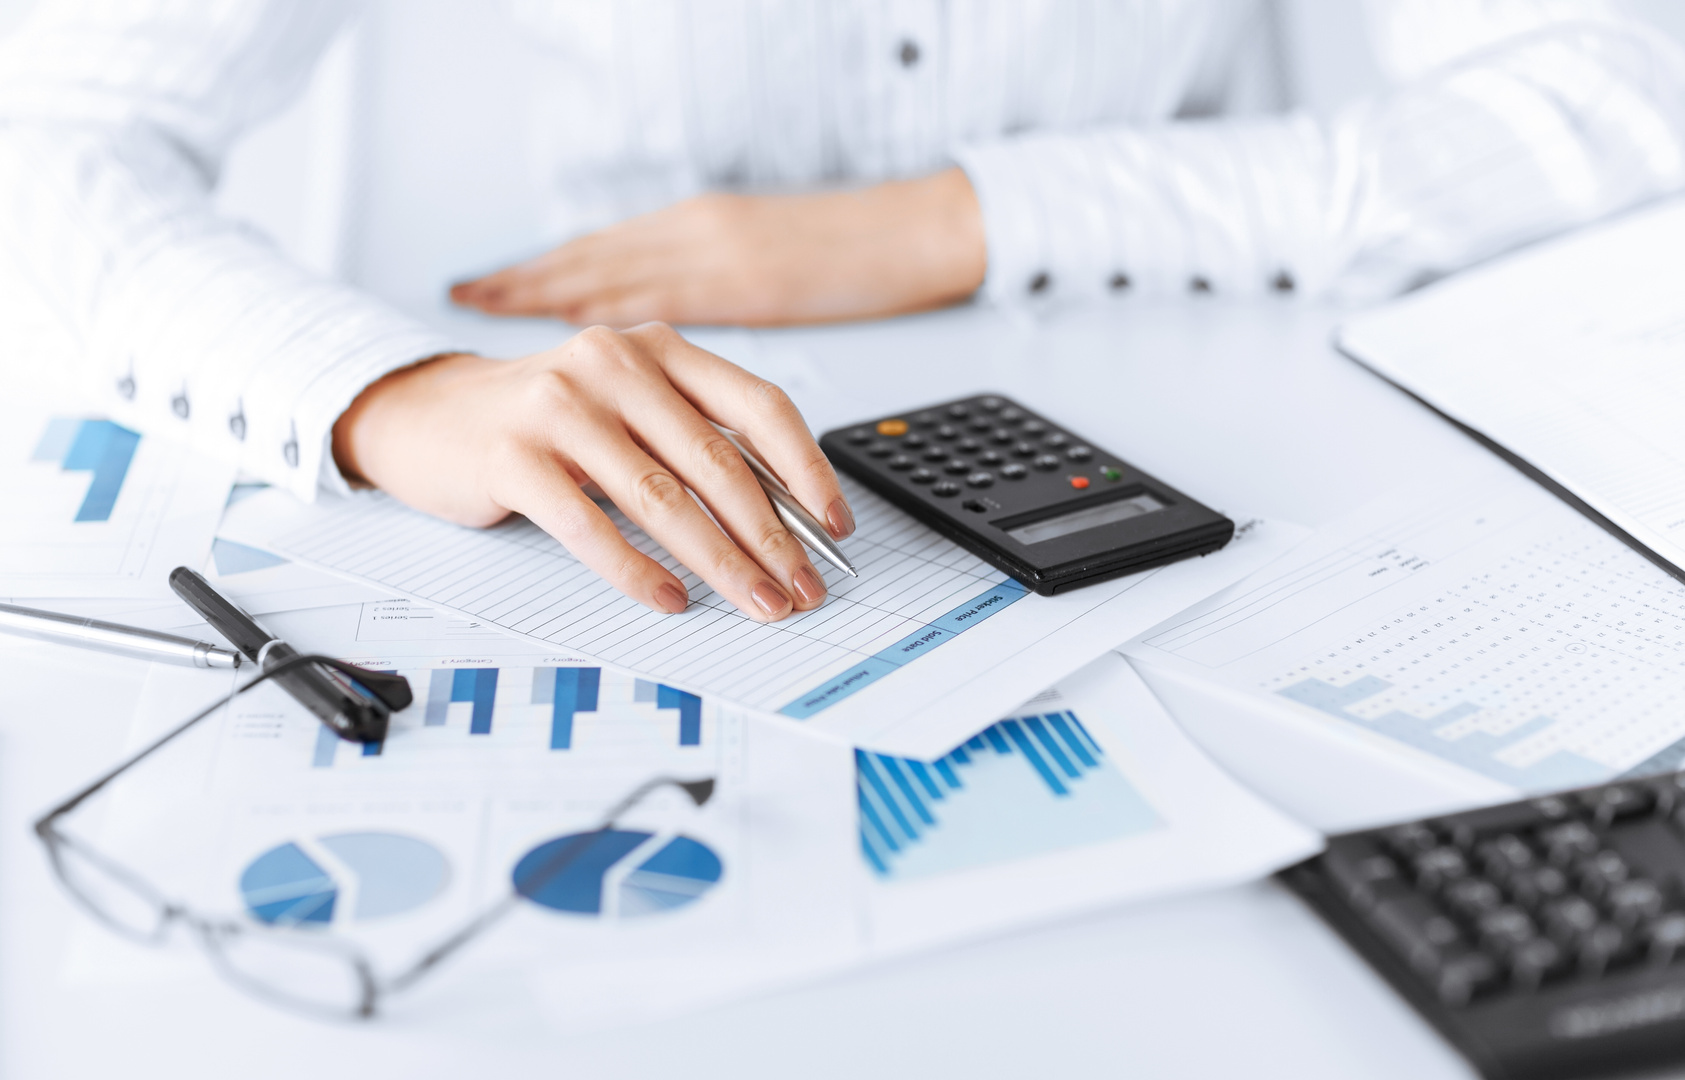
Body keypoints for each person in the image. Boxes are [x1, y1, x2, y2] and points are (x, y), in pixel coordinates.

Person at [1, 0, 1682, 622]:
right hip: (601, 457)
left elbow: (1625, 79)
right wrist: (380, 388)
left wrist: (974, 217)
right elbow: (51, 135)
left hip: (1211, 434)